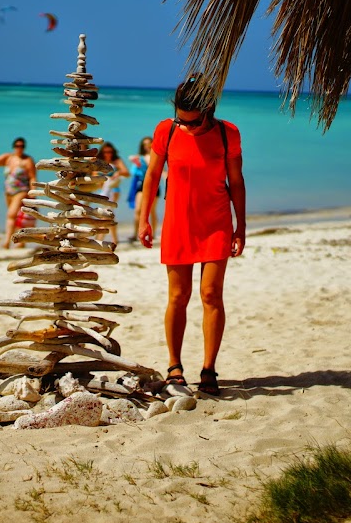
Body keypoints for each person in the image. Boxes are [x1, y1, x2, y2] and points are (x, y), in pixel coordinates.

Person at [137, 74, 246, 396]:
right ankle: (174, 367)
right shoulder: (166, 130)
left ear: (208, 110)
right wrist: (144, 219)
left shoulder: (228, 133)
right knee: (177, 296)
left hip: (215, 222)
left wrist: (241, 226)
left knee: (211, 294)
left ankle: (209, 369)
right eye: (182, 119)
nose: (189, 126)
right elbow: (153, 175)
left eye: (195, 122)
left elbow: (237, 182)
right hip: (177, 222)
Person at [97, 142, 131, 244]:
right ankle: (114, 239)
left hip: (114, 190)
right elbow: (94, 175)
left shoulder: (117, 161)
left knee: (106, 213)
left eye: (110, 152)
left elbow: (126, 173)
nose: (108, 154)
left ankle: (100, 239)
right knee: (109, 214)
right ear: (102, 152)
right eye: (106, 152)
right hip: (103, 190)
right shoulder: (99, 162)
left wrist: (118, 173)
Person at [127, 136, 159, 242]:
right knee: (138, 210)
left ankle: (153, 233)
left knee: (152, 211)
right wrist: (136, 163)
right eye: (145, 144)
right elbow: (132, 168)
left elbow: (161, 170)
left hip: (154, 185)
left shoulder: (157, 156)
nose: (147, 146)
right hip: (141, 184)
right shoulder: (140, 158)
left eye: (149, 143)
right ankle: (135, 233)